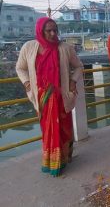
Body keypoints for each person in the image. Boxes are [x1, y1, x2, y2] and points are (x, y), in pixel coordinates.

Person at [16, 17, 84, 177]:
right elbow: (20, 68)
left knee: (64, 129)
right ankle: (52, 162)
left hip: (61, 97)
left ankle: (65, 158)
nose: (53, 34)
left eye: (55, 30)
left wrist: (73, 81)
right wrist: (26, 83)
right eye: (49, 30)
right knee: (48, 130)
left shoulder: (65, 48)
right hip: (42, 99)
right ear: (40, 30)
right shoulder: (29, 47)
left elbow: (79, 66)